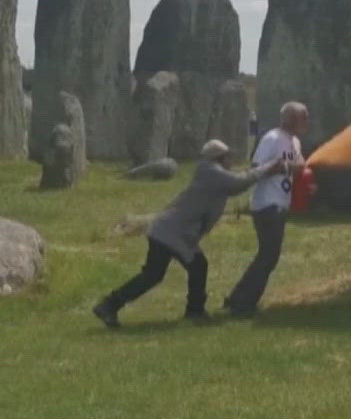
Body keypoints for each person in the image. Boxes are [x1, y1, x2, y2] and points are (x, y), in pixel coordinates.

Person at [93, 140, 288, 328]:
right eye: (228, 156)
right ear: (220, 158)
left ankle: (112, 305)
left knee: (178, 270)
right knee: (162, 273)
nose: (231, 160)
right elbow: (239, 183)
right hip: (171, 233)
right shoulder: (211, 172)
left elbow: (235, 183)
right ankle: (190, 310)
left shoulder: (211, 172)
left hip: (172, 232)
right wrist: (269, 167)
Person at [225, 102, 308, 318]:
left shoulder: (295, 142)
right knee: (269, 255)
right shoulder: (272, 138)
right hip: (266, 205)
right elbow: (256, 168)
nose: (306, 122)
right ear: (288, 119)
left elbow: (297, 168)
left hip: (281, 204)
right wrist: (286, 167)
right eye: (303, 117)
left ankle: (238, 298)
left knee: (268, 255)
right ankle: (242, 303)